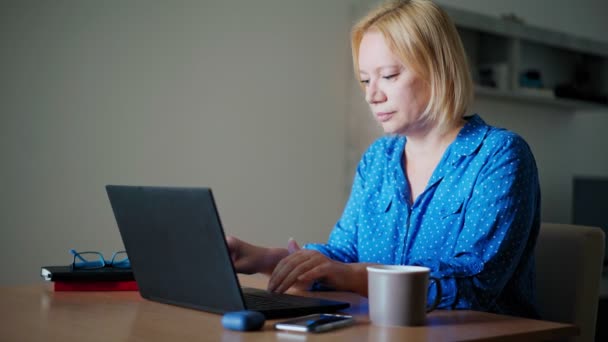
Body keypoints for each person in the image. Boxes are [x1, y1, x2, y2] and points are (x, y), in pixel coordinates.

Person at [227, 0, 540, 318]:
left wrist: (353, 276)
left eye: (388, 76)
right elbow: (341, 255)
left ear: (438, 69)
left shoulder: (500, 155)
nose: (371, 95)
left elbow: (476, 286)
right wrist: (265, 259)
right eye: (365, 80)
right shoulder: (379, 158)